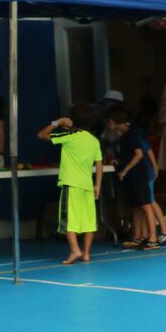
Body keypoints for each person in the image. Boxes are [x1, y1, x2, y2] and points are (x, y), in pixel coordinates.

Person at [39, 109, 102, 264]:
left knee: (68, 219)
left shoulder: (69, 136)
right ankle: (86, 253)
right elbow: (99, 164)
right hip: (88, 185)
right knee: (88, 221)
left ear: (72, 121)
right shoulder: (94, 140)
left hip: (71, 184)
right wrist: (97, 185)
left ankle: (75, 250)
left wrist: (57, 122)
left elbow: (41, 134)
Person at [104, 107, 162, 250]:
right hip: (131, 177)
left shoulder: (132, 133)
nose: (107, 126)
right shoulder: (122, 136)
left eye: (107, 123)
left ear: (112, 122)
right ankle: (137, 237)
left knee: (146, 205)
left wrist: (125, 170)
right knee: (135, 207)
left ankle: (153, 238)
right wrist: (118, 161)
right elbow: (127, 155)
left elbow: (139, 154)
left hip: (139, 175)